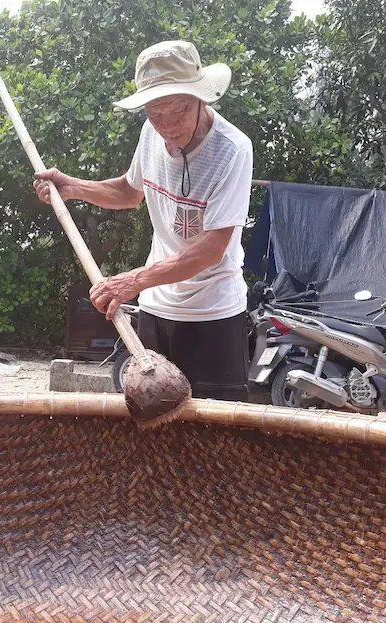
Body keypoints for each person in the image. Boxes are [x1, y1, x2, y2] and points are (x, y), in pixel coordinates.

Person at [34, 40, 253, 401]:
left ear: (201, 98)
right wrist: (71, 186)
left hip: (213, 313)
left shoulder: (232, 149)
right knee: (150, 425)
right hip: (156, 308)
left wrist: (132, 281)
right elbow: (129, 192)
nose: (167, 125)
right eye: (155, 113)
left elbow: (211, 249)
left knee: (215, 438)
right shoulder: (152, 132)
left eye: (178, 110)